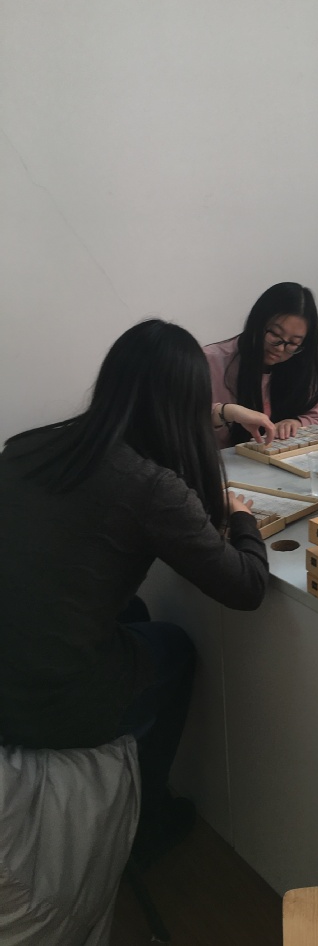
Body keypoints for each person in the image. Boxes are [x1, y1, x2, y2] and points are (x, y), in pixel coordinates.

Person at [0, 319, 271, 866]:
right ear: (185, 404)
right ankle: (145, 819)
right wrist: (241, 517)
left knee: (136, 609)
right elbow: (246, 587)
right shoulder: (152, 486)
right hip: (43, 701)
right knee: (174, 647)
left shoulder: (29, 445)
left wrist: (225, 413)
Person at [204, 281, 318, 448]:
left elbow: (317, 418)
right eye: (275, 334)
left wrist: (297, 422)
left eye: (293, 343)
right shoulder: (212, 361)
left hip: (276, 460)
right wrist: (227, 412)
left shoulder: (300, 363)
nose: (280, 348)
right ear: (258, 322)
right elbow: (182, 419)